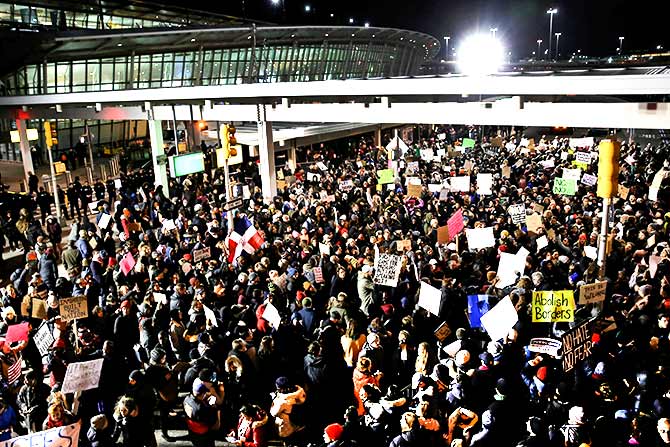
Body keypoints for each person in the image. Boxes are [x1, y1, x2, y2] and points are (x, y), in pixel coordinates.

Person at [183, 380, 220, 447]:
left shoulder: (186, 399)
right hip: (203, 435)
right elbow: (214, 425)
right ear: (202, 394)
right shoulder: (201, 409)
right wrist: (215, 409)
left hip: (192, 431)